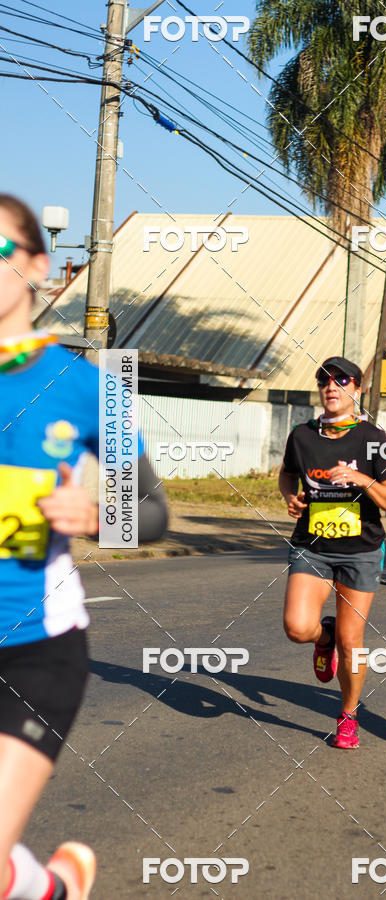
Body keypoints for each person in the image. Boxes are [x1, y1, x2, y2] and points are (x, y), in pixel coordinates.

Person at [0, 195, 168, 899]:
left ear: (40, 266)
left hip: (33, 649)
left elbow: (152, 511)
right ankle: (50, 887)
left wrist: (98, 515)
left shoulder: (84, 387)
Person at [279, 356, 386, 749]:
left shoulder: (375, 438)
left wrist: (361, 478)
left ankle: (348, 715)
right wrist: (290, 497)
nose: (331, 386)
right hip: (312, 546)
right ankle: (324, 635)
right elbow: (286, 474)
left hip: (360, 550)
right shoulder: (302, 436)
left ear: (357, 389)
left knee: (352, 643)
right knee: (297, 628)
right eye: (324, 380)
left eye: (342, 380)